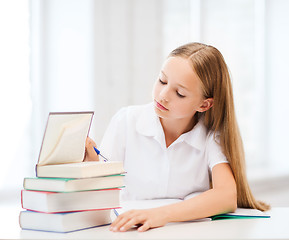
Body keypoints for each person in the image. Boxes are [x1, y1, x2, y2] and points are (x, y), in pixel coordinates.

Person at [84, 42, 270, 232]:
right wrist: (90, 163)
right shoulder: (126, 121)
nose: (163, 95)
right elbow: (102, 188)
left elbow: (226, 196)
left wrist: (159, 214)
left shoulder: (211, 136)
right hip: (131, 232)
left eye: (179, 93)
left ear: (204, 105)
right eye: (162, 81)